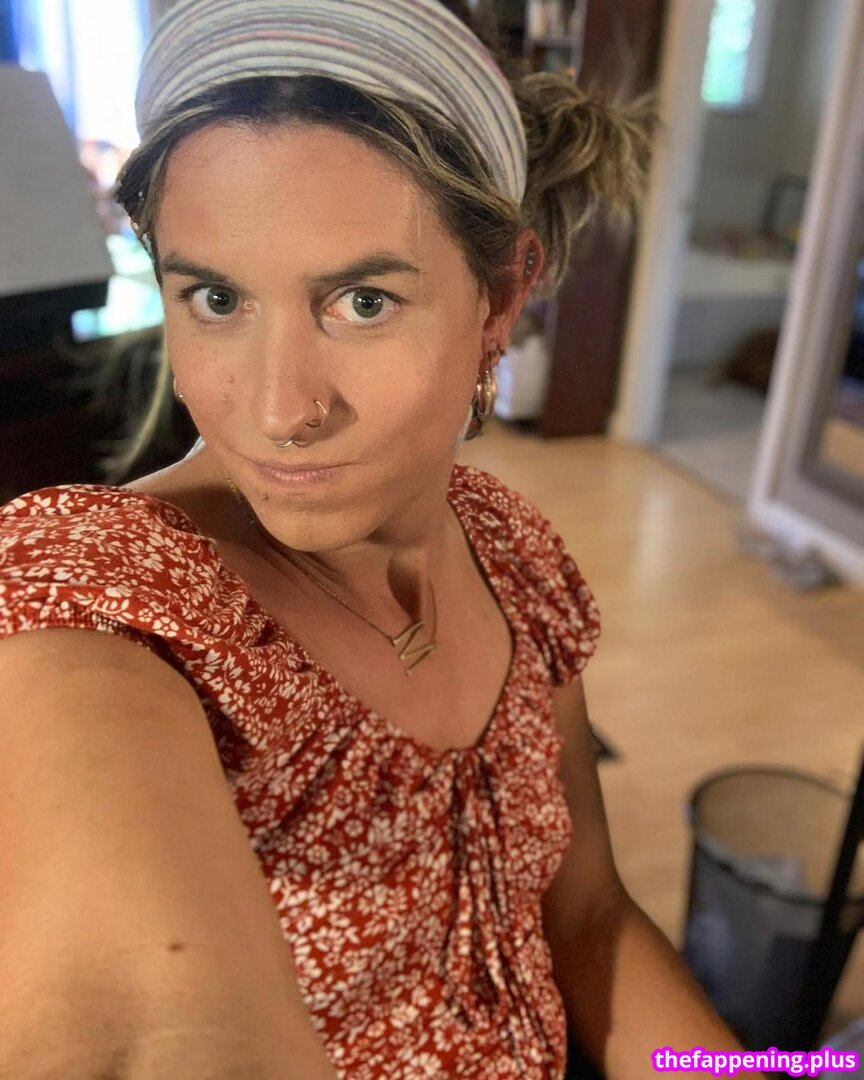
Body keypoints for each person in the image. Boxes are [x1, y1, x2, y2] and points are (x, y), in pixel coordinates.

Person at [0, 2, 764, 1077]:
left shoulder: (515, 556)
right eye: (215, 296)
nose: (282, 409)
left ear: (501, 298)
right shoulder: (104, 593)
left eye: (362, 301)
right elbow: (133, 1031)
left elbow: (588, 917)